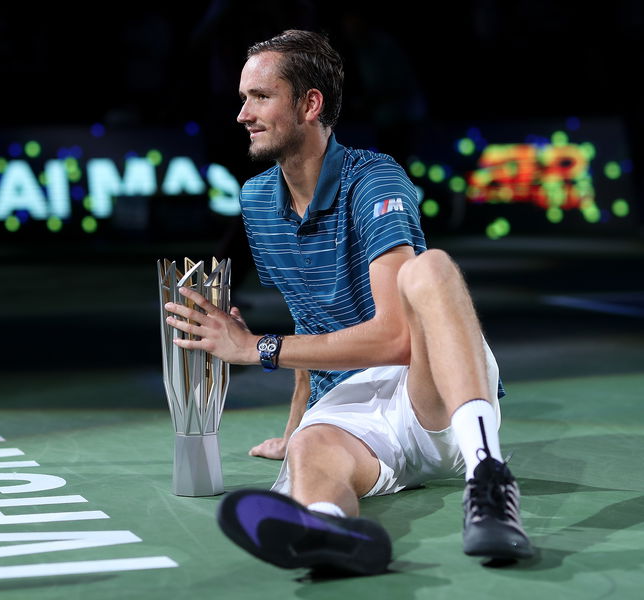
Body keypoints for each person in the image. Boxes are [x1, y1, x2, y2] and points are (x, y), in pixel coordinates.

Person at [163, 29, 533, 576]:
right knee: (309, 452)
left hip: (431, 390)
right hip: (354, 408)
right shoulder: (257, 200)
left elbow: (397, 339)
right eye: (243, 98)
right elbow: (309, 317)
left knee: (430, 269)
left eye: (260, 97)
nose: (243, 114)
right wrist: (295, 427)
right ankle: (330, 531)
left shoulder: (375, 179)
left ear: (309, 104)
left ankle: (489, 478)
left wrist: (255, 348)